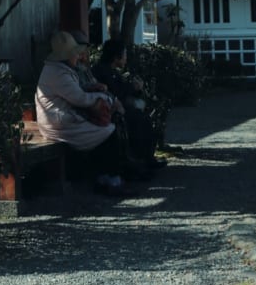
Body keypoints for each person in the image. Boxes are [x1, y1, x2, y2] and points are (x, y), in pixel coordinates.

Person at [35, 30, 133, 196]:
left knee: (106, 131)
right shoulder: (58, 73)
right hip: (61, 123)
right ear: (66, 56)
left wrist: (92, 89)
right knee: (109, 132)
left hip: (62, 119)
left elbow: (76, 93)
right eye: (75, 54)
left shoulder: (58, 69)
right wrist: (105, 98)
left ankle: (104, 178)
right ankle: (111, 181)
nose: (78, 57)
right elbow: (80, 99)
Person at [92, 38, 167, 170]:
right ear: (116, 56)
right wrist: (133, 88)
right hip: (111, 112)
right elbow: (115, 92)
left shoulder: (112, 71)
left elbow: (124, 90)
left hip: (121, 109)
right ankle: (141, 160)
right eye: (124, 54)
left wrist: (136, 89)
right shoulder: (102, 71)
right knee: (140, 120)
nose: (126, 58)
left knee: (144, 118)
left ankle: (146, 158)